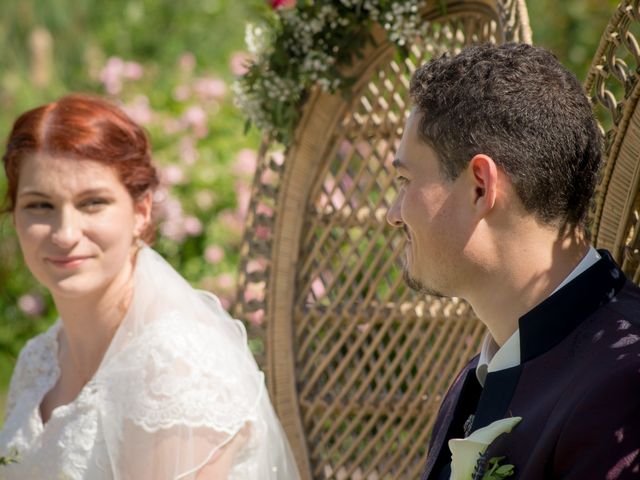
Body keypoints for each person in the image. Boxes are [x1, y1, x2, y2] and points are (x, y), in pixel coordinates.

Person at [0, 94, 300, 479]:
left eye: (92, 203)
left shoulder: (176, 371)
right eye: (39, 205)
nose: (65, 233)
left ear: (141, 211)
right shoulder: (37, 360)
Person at [387, 43, 640, 479]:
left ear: (480, 187)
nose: (393, 213)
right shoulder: (484, 371)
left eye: (406, 180)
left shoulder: (622, 387)